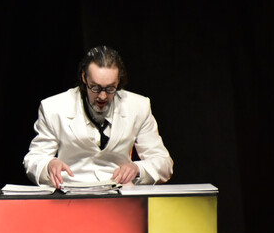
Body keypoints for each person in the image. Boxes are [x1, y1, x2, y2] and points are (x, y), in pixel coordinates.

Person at [23, 45, 173, 189]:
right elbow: (34, 158)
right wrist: (49, 165)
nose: (102, 96)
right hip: (71, 194)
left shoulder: (138, 106)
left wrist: (137, 168)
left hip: (120, 195)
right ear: (84, 77)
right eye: (95, 87)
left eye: (110, 88)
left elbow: (164, 163)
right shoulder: (54, 107)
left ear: (119, 81)